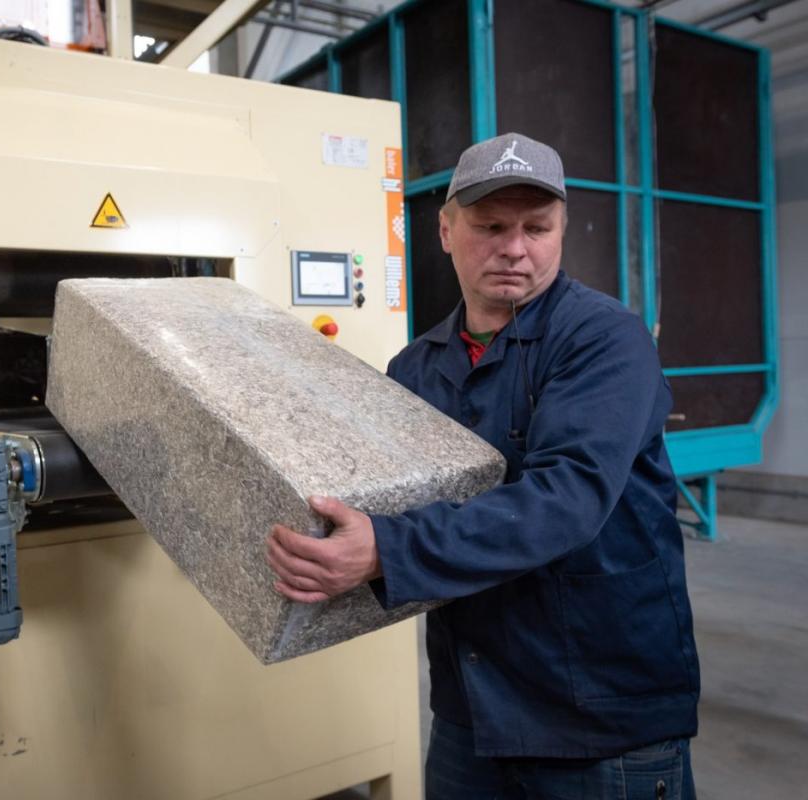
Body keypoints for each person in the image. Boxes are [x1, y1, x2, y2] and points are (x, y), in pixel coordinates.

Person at [266, 132, 700, 799]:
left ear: (560, 231)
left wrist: (384, 550)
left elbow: (567, 497)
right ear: (445, 231)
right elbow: (385, 496)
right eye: (491, 226)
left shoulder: (604, 340)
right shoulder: (416, 368)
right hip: (472, 708)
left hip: (599, 710)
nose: (515, 248)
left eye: (537, 228)